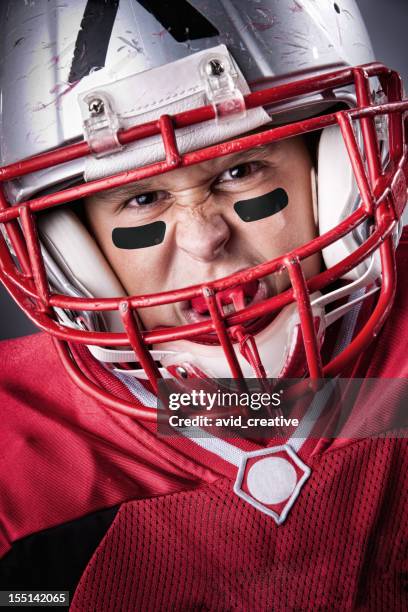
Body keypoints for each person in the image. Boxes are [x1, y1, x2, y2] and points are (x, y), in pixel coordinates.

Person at [0, 0, 407, 609]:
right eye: (140, 201)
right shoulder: (17, 450)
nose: (204, 238)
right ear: (68, 246)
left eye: (242, 169)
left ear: (338, 173)